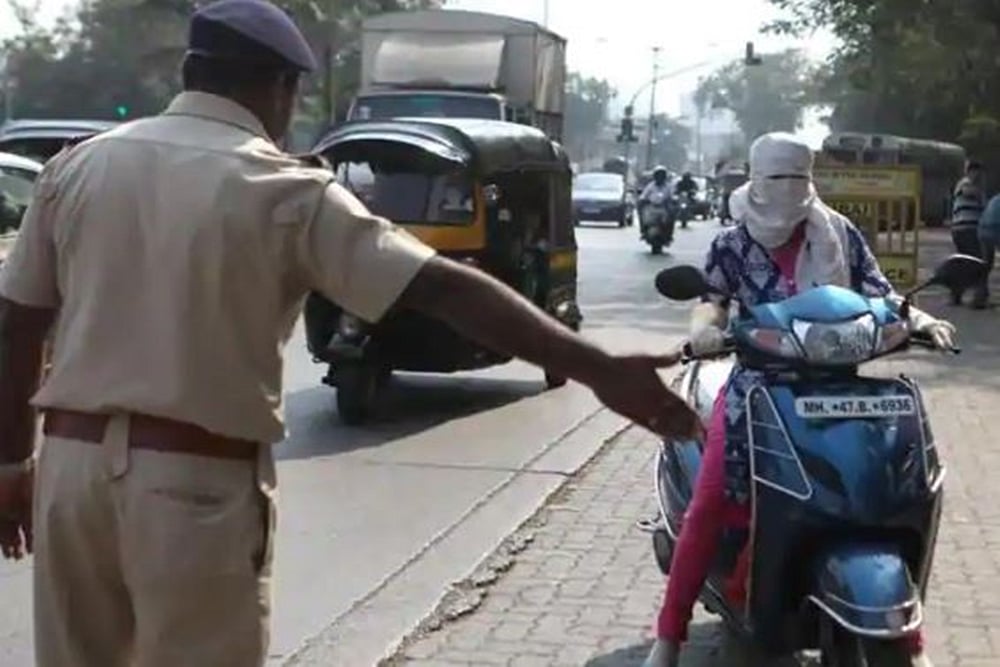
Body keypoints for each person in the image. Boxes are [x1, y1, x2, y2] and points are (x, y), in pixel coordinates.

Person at [0, 2, 701, 666]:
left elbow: (17, 323)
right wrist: (596, 365)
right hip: (195, 487)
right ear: (278, 87)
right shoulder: (282, 187)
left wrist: (10, 465)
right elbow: (440, 285)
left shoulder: (77, 167)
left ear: (192, 72)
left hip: (70, 474)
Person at [642, 132, 954, 667]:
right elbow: (711, 304)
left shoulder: (838, 233)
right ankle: (669, 636)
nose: (789, 189)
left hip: (841, 390)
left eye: (798, 177)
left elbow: (880, 294)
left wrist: (920, 318)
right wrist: (707, 332)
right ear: (757, 181)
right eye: (778, 178)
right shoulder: (733, 243)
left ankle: (910, 634)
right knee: (711, 502)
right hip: (758, 391)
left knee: (894, 489)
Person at [950, 160, 987, 305]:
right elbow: (969, 192)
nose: (978, 175)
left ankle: (957, 295)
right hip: (966, 229)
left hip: (968, 229)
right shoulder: (965, 183)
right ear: (970, 171)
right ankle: (978, 298)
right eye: (976, 171)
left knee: (964, 263)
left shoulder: (976, 186)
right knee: (976, 263)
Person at [976, 190, 1000, 308]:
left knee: (985, 265)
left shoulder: (995, 198)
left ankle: (979, 298)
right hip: (996, 229)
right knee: (986, 265)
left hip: (983, 230)